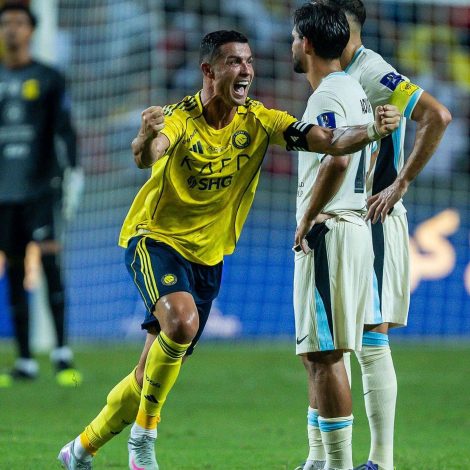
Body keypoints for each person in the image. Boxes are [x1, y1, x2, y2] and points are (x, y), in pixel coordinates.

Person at [57, 29, 400, 470]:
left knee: (147, 373)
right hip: (155, 241)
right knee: (181, 323)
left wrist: (372, 129)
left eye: (249, 61)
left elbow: (328, 141)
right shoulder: (180, 117)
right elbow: (149, 154)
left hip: (208, 258)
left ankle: (80, 449)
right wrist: (144, 137)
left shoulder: (259, 120)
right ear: (209, 70)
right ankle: (144, 437)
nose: (246, 70)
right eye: (235, 62)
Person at [294, 1, 451, 470]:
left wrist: (400, 183)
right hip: (356, 216)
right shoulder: (342, 78)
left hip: (373, 214)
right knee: (330, 344)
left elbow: (437, 115)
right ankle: (319, 456)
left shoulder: (372, 71)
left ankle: (380, 460)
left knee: (367, 339)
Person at [290, 3, 382, 470]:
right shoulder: (353, 89)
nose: (291, 45)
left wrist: (307, 217)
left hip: (329, 230)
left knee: (325, 355)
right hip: (351, 227)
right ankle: (319, 460)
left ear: (306, 43)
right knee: (317, 354)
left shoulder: (326, 96)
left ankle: (339, 465)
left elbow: (338, 158)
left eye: (294, 37)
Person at [0, 3, 83, 386]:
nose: (11, 29)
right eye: (6, 23)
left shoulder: (49, 78)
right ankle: (24, 360)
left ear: (31, 30)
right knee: (16, 270)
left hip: (41, 188)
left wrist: (73, 173)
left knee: (49, 263)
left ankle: (62, 353)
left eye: (19, 23)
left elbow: (65, 129)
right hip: (4, 192)